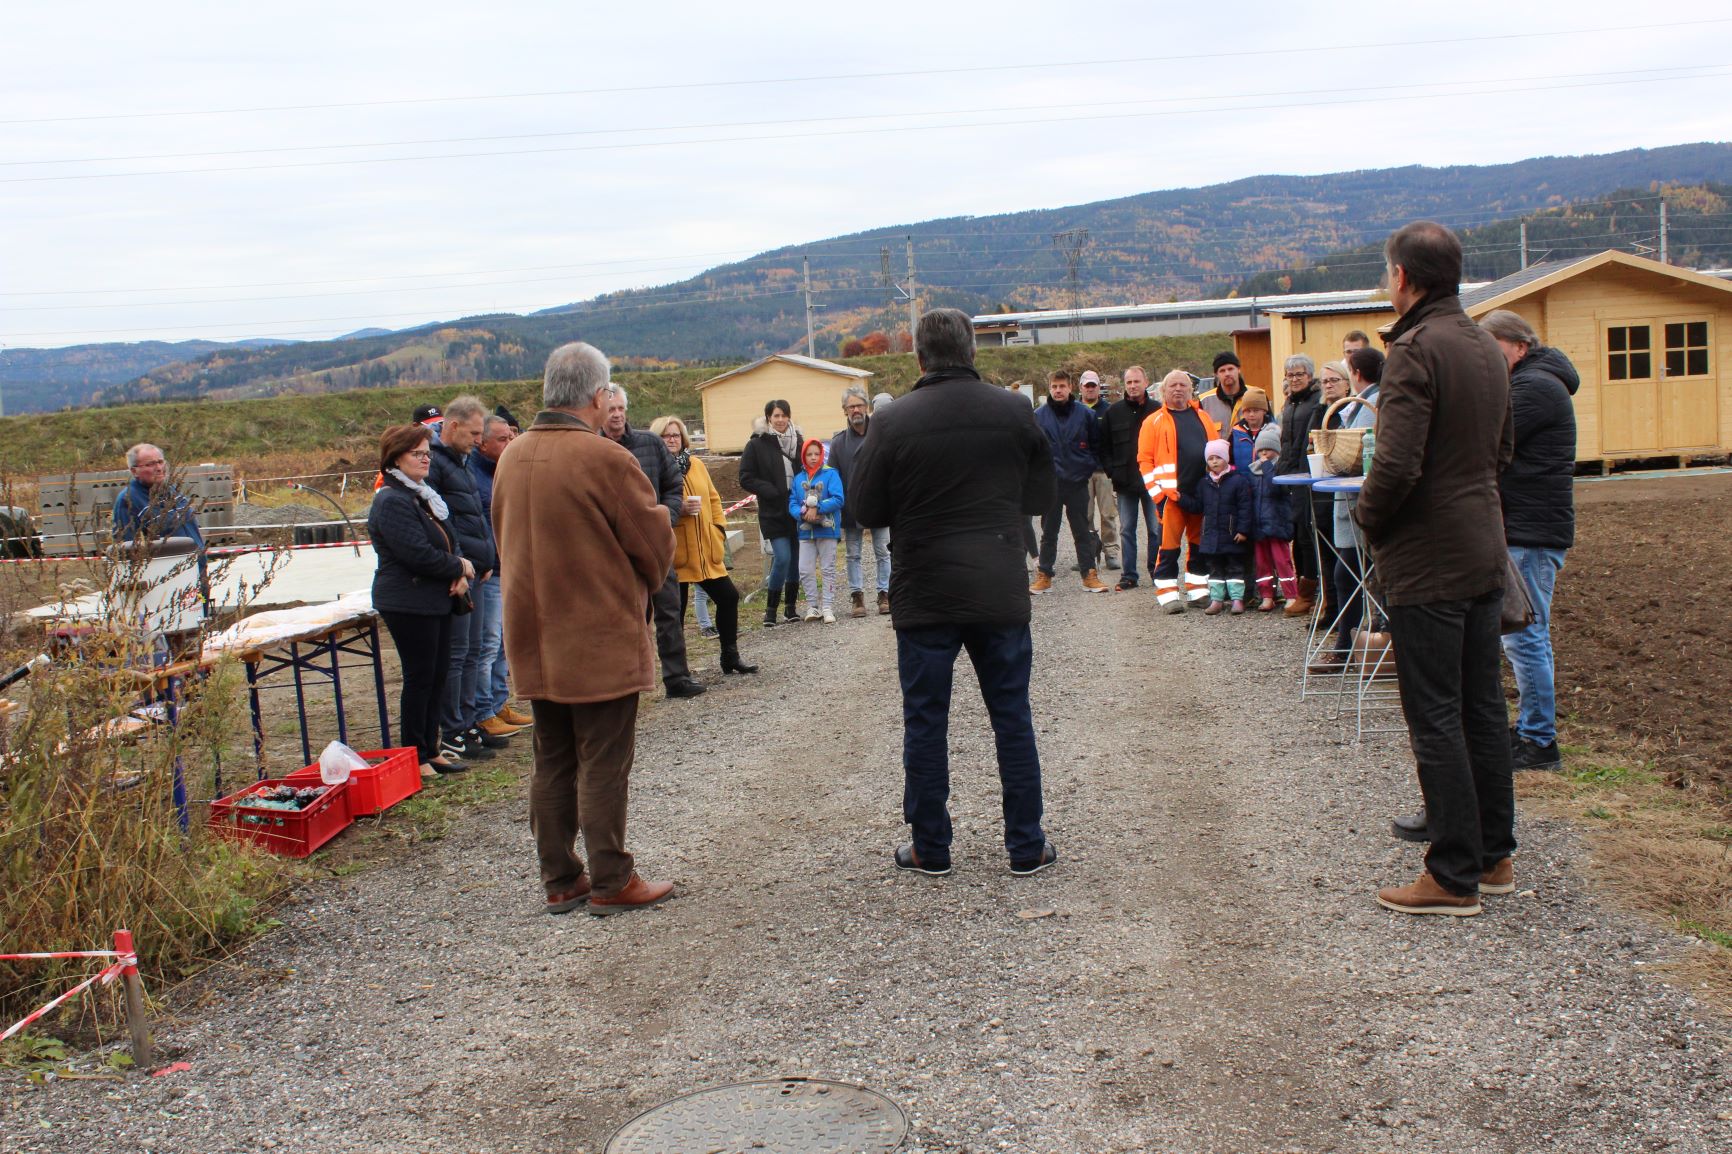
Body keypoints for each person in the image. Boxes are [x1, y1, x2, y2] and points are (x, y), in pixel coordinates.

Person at [847, 308, 1058, 877]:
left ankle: (931, 848)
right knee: (1011, 715)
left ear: (919, 358)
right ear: (972, 352)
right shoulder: (1013, 410)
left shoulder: (892, 421)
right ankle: (1026, 844)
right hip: (996, 582)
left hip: (926, 589)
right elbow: (1040, 494)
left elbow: (865, 508)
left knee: (925, 719)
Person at [1356, 221, 1515, 917]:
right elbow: (1500, 450)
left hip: (1430, 557)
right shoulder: (1484, 343)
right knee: (1481, 706)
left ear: (1403, 277)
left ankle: (1451, 875)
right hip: (1483, 544)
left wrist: (1367, 517)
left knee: (1436, 713)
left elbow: (1394, 464)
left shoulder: (1415, 350)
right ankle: (1493, 851)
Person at [491, 341, 678, 917]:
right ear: (598, 396)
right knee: (603, 760)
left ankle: (560, 877)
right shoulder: (606, 459)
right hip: (596, 637)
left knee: (553, 757)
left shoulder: (511, 456)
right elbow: (654, 548)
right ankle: (611, 879)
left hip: (533, 636)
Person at [1481, 308, 1579, 772]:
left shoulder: (1535, 388)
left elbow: (1487, 437)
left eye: (1494, 350)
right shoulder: (1530, 382)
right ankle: (1529, 729)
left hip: (1532, 531)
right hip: (1524, 526)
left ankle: (1540, 741)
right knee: (1521, 635)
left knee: (1526, 635)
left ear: (1520, 347)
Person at [367, 424, 471, 778]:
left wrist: (457, 570)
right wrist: (458, 566)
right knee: (420, 678)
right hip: (407, 600)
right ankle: (415, 754)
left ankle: (431, 748)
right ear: (396, 458)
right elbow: (417, 554)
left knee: (437, 675)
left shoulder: (422, 496)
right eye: (417, 453)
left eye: (427, 452)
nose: (426, 458)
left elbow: (448, 538)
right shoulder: (392, 500)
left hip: (434, 597)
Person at [604, 386, 705, 699]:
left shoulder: (649, 443)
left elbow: (674, 485)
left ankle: (677, 677)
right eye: (611, 410)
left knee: (669, 611)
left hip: (655, 544)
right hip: (612, 550)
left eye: (621, 408)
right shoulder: (593, 448)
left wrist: (665, 518)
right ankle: (623, 684)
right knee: (620, 619)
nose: (617, 415)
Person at [427, 396, 510, 763]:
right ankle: (455, 728)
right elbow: (445, 523)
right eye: (475, 433)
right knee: (460, 654)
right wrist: (461, 563)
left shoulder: (458, 463)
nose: (478, 440)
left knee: (476, 650)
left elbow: (474, 515)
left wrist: (485, 559)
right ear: (454, 426)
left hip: (477, 568)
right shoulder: (438, 465)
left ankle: (473, 719)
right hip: (461, 572)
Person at [650, 416, 758, 674]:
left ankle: (730, 657)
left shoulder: (696, 464)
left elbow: (714, 499)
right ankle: (678, 671)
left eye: (675, 435)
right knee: (675, 613)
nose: (672, 439)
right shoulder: (654, 470)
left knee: (729, 597)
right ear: (657, 439)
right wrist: (680, 509)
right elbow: (650, 506)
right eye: (666, 436)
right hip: (676, 553)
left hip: (706, 550)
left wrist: (718, 530)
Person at [1311, 350, 1384, 674]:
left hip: (1360, 505)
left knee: (1354, 575)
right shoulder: (1361, 402)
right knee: (1349, 574)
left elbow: (1358, 448)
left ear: (1353, 373)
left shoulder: (1371, 405)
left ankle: (1353, 648)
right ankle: (1352, 644)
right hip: (1351, 505)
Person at [1137, 369, 1220, 613]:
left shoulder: (1203, 417)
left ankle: (1198, 591)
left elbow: (1216, 451)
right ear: (1163, 391)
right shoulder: (1153, 422)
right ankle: (1168, 595)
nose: (1178, 389)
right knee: (1169, 548)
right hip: (1171, 497)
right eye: (1172, 385)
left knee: (1198, 546)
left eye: (1183, 385)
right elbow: (1144, 460)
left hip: (1201, 494)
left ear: (1191, 389)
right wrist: (1158, 495)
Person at [471, 412, 532, 735]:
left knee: (503, 643)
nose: (510, 443)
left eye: (512, 437)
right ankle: (483, 710)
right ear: (481, 443)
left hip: (509, 563)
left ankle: (498, 702)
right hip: (489, 567)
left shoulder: (504, 471)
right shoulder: (475, 476)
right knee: (489, 642)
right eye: (503, 439)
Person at [1031, 369, 1108, 594]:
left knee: (1082, 531)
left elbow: (1096, 445)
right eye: (1054, 386)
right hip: (1052, 484)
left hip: (1077, 483)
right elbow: (1034, 451)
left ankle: (1089, 575)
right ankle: (1044, 575)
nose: (1058, 390)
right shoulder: (1039, 416)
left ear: (1070, 387)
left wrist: (1087, 467)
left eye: (1062, 386)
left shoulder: (1086, 415)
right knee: (1049, 532)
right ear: (1049, 388)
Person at [738, 399, 804, 627]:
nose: (781, 420)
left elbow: (807, 469)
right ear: (768, 418)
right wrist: (770, 490)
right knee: (782, 557)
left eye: (784, 415)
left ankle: (791, 608)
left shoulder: (798, 441)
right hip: (772, 510)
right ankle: (770, 610)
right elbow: (745, 476)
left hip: (796, 508)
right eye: (776, 416)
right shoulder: (757, 444)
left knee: (795, 560)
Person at [829, 386, 891, 618]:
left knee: (883, 551)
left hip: (879, 502)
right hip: (850, 506)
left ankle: (885, 593)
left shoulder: (881, 435)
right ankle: (857, 597)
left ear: (867, 407)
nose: (856, 410)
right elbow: (833, 477)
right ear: (845, 411)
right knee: (853, 553)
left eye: (859, 405)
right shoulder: (838, 443)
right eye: (851, 406)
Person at [1099, 364, 1160, 590]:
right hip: (1124, 482)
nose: (1133, 386)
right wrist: (1112, 471)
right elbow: (1103, 447)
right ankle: (1129, 575)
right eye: (1129, 382)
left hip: (1152, 482)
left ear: (1146, 383)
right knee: (1126, 529)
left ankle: (1157, 571)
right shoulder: (1113, 413)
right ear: (1124, 385)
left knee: (1156, 529)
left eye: (1137, 381)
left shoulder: (1158, 411)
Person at [1177, 438, 1253, 615]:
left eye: (1218, 457)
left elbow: (1245, 507)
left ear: (1226, 458)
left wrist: (1243, 530)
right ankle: (1217, 600)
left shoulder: (1238, 481)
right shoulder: (1204, 483)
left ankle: (1237, 600)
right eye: (1210, 458)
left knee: (1235, 569)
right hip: (1211, 537)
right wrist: (1181, 499)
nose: (1214, 461)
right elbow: (1198, 506)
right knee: (1215, 570)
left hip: (1232, 535)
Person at [112, 443, 208, 581]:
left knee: (202, 601)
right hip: (169, 580)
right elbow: (126, 549)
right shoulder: (128, 500)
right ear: (134, 471)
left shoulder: (172, 489)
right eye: (150, 464)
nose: (158, 468)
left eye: (160, 462)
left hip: (198, 572)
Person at [1276, 355, 1323, 617]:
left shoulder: (1315, 402)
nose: (1293, 379)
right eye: (1290, 375)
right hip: (1292, 477)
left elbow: (1308, 442)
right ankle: (1303, 591)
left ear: (1309, 376)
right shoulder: (1291, 403)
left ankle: (1311, 592)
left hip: (1307, 478)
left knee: (1308, 536)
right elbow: (1286, 443)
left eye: (1299, 374)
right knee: (1297, 534)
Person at [789, 438, 845, 623]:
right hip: (805, 531)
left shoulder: (831, 474)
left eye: (817, 454)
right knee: (805, 569)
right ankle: (813, 606)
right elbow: (793, 502)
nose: (813, 457)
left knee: (828, 569)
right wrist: (802, 513)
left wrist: (818, 507)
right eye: (809, 454)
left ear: (822, 454)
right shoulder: (798, 479)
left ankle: (828, 607)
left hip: (827, 530)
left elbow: (838, 498)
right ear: (803, 456)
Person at [1247, 426, 1297, 611]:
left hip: (1277, 524)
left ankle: (1291, 594)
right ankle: (1266, 595)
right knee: (1262, 564)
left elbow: (1274, 488)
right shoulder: (1252, 471)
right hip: (1259, 526)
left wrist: (1267, 466)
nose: (1264, 453)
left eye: (1268, 449)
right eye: (1260, 450)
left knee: (1282, 561)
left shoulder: (1277, 469)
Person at [1078, 370, 1119, 571]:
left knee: (1108, 515)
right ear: (1081, 388)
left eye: (1093, 385)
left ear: (1098, 388)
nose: (1090, 389)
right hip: (1082, 472)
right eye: (1087, 386)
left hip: (1104, 472)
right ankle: (1086, 554)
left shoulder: (1109, 411)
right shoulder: (1074, 410)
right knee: (1083, 516)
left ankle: (1111, 553)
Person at [1227, 387, 1275, 473]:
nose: (1251, 414)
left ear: (1264, 411)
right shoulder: (1236, 432)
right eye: (1247, 411)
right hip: (1242, 483)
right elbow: (1229, 460)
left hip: (1266, 482)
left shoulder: (1273, 431)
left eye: (1256, 410)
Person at [1198, 351, 1249, 430]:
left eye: (1230, 369)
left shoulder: (1256, 395)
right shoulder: (1204, 402)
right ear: (1216, 374)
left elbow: (1269, 428)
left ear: (1238, 370)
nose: (1227, 373)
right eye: (1222, 371)